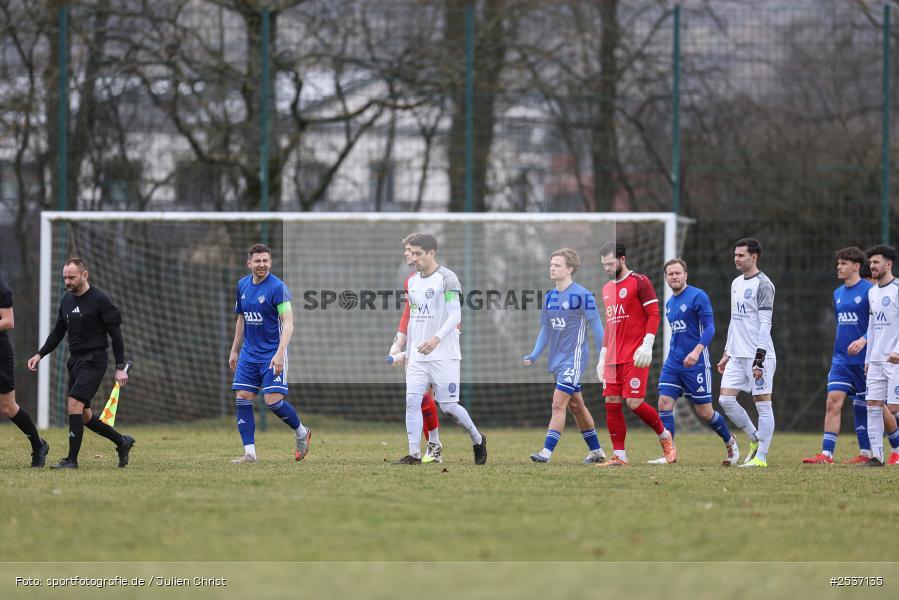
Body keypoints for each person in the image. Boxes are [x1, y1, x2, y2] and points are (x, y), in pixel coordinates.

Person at [27, 258, 134, 469]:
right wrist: (40, 354)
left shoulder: (101, 300)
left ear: (84, 275)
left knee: (73, 405)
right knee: (83, 415)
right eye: (65, 277)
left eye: (71, 277)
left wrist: (120, 367)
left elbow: (117, 336)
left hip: (94, 360)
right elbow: (58, 332)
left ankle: (71, 460)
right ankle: (122, 442)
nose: (67, 281)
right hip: (74, 361)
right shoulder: (66, 301)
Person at [393, 232, 486, 465]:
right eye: (411, 253)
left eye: (418, 254)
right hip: (418, 355)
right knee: (412, 400)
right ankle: (414, 454)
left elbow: (455, 315)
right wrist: (405, 349)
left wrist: (435, 339)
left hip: (444, 354)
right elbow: (412, 317)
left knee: (449, 407)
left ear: (432, 253)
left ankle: (477, 438)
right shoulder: (412, 281)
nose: (414, 258)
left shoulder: (447, 278)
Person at [648, 259, 739, 465]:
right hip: (673, 362)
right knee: (664, 403)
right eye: (670, 274)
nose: (674, 277)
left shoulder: (698, 296)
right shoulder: (669, 304)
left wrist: (697, 352)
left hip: (695, 363)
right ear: (666, 277)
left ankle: (729, 441)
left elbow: (709, 328)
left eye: (678, 273)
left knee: (704, 412)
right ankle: (669, 453)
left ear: (685, 274)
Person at [522, 248, 606, 464]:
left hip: (574, 359)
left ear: (570, 269)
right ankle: (597, 451)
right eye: (551, 264)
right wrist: (533, 354)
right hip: (557, 361)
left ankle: (546, 452)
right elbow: (546, 330)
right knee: (576, 406)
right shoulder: (550, 297)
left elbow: (596, 326)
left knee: (558, 404)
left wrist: (604, 354)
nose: (552, 268)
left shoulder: (582, 295)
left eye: (557, 265)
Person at [228, 244, 310, 464]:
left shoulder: (278, 288)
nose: (262, 265)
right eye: (257, 261)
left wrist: (280, 353)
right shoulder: (242, 285)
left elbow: (289, 322)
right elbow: (241, 319)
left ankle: (302, 433)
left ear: (270, 263)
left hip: (272, 354)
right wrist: (234, 350)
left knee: (273, 401)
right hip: (248, 354)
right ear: (249, 264)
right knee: (242, 398)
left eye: (265, 261)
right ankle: (250, 454)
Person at [596, 241, 675, 467]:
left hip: (635, 354)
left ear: (622, 260)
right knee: (611, 401)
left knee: (633, 402)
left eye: (610, 264)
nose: (607, 268)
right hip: (612, 356)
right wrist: (602, 355)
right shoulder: (606, 288)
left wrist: (647, 344)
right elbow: (610, 325)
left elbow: (654, 314)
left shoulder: (640, 282)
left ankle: (665, 436)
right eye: (604, 265)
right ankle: (619, 456)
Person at [802, 247, 873, 464]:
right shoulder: (837, 293)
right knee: (832, 402)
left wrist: (864, 340)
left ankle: (869, 453)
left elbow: (880, 325)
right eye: (838, 263)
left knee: (867, 407)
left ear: (856, 266)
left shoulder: (870, 290)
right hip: (841, 360)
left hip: (865, 360)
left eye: (843, 263)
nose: (839, 267)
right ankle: (827, 454)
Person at [716, 238, 776, 468]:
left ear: (754, 257)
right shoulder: (736, 283)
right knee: (726, 399)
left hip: (758, 356)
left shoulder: (763, 285)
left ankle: (761, 457)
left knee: (762, 403)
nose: (736, 259)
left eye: (741, 255)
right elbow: (735, 321)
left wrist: (759, 359)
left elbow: (765, 324)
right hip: (737, 355)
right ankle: (754, 438)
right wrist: (726, 352)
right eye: (735, 255)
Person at [388, 234, 441, 463]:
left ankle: (436, 446)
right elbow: (408, 313)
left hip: (435, 348)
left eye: (411, 250)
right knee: (419, 398)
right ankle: (428, 450)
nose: (407, 254)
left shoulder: (441, 279)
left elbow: (450, 313)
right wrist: (399, 342)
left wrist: (440, 338)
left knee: (432, 400)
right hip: (414, 347)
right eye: (407, 250)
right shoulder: (410, 281)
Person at [0, 273, 49, 467]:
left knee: (8, 407)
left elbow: (8, 321)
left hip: (1, 353)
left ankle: (39, 446)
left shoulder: (2, 288)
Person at [860, 245, 899, 466]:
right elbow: (872, 327)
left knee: (894, 409)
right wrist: (868, 359)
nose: (872, 266)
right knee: (873, 405)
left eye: (876, 262)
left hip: (895, 359)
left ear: (888, 264)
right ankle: (877, 457)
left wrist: (898, 351)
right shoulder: (872, 292)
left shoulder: (897, 288)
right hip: (876, 360)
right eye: (871, 262)